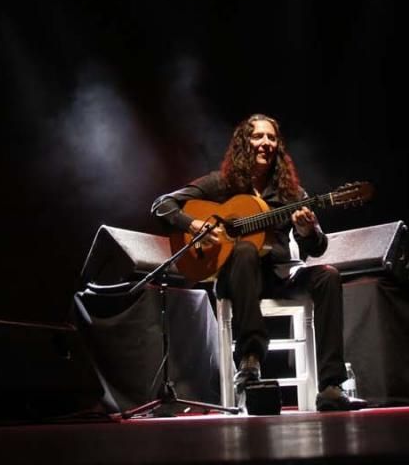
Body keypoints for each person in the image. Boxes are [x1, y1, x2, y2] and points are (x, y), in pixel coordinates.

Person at [152, 113, 366, 412]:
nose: (265, 143)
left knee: (328, 276)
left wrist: (308, 231)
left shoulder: (292, 194)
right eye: (258, 136)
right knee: (244, 251)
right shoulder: (221, 184)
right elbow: (162, 205)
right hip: (237, 278)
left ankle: (331, 386)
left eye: (271, 137)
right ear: (244, 143)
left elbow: (317, 248)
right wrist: (194, 224)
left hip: (278, 276)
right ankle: (250, 361)